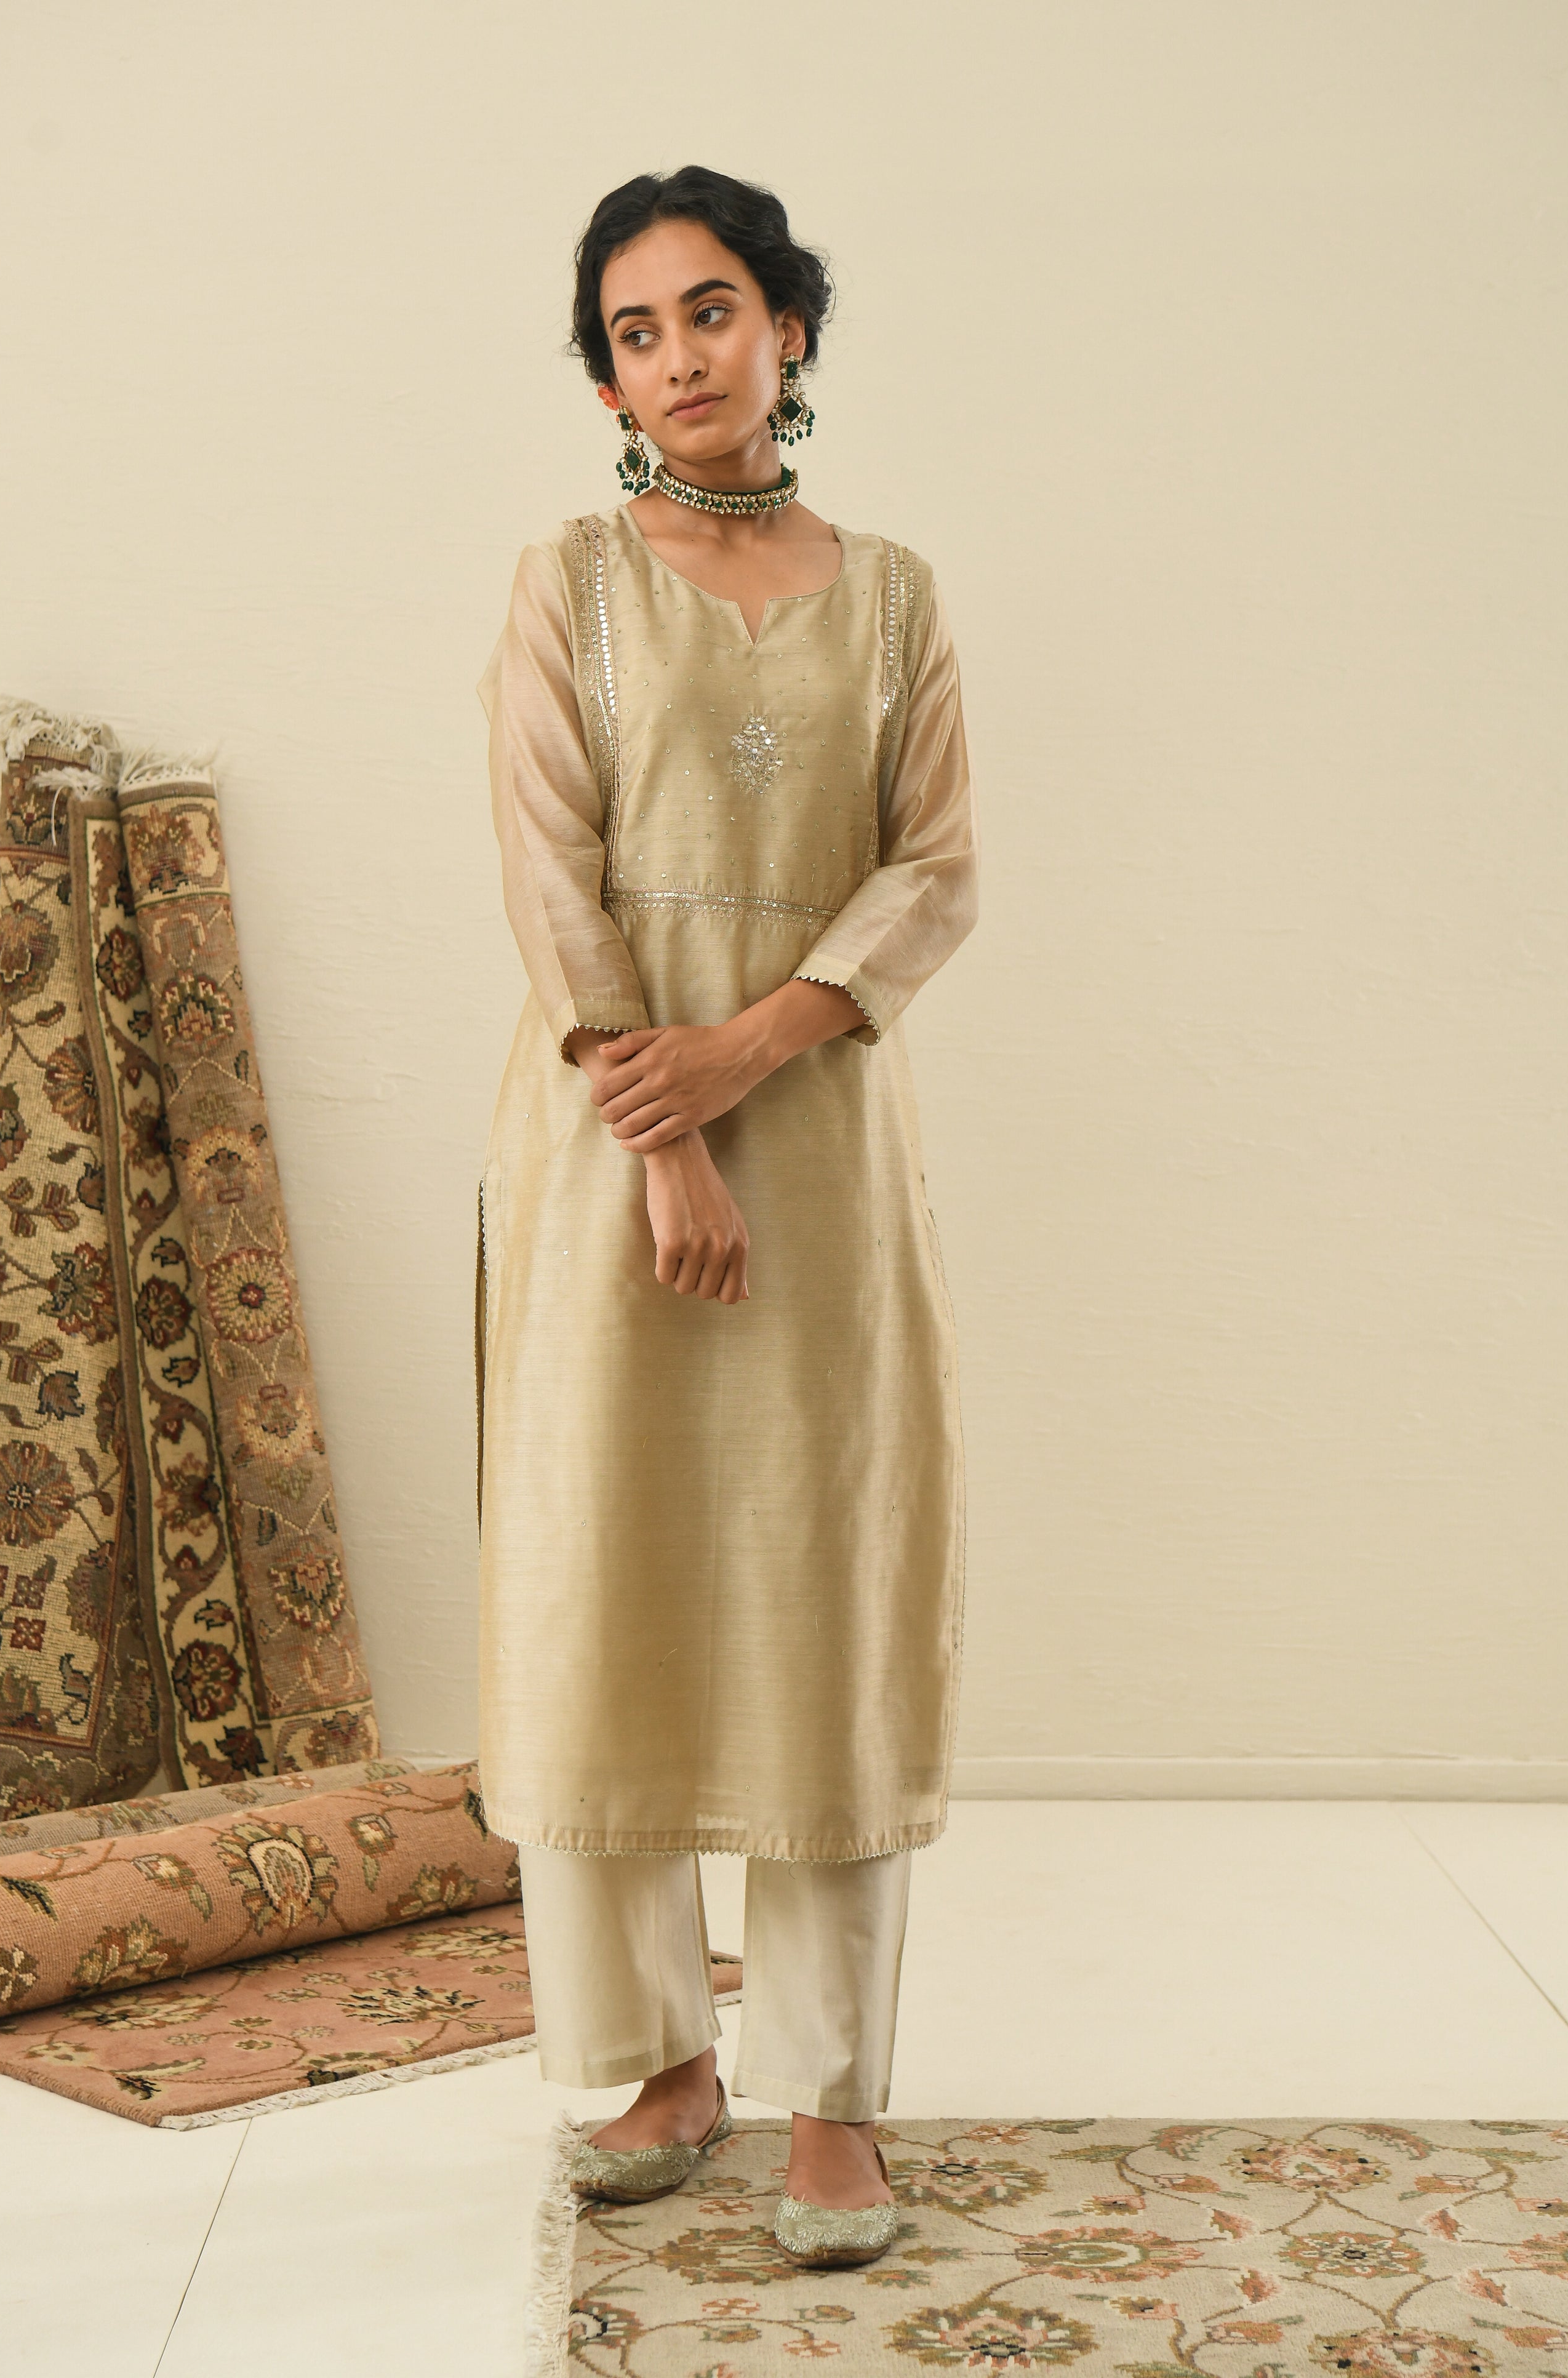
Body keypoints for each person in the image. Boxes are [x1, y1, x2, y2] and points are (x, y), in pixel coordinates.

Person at [475, 164, 977, 2270]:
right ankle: (659, 2062)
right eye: (633, 331)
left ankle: (830, 2096)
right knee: (600, 1570)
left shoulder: (897, 597)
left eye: (709, 310)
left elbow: (934, 870)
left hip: (822, 1133)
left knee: (822, 1574)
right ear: (605, 378)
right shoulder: (567, 582)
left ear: (787, 328)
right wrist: (661, 1124)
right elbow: (546, 865)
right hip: (609, 1137)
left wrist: (750, 1054)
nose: (676, 356)